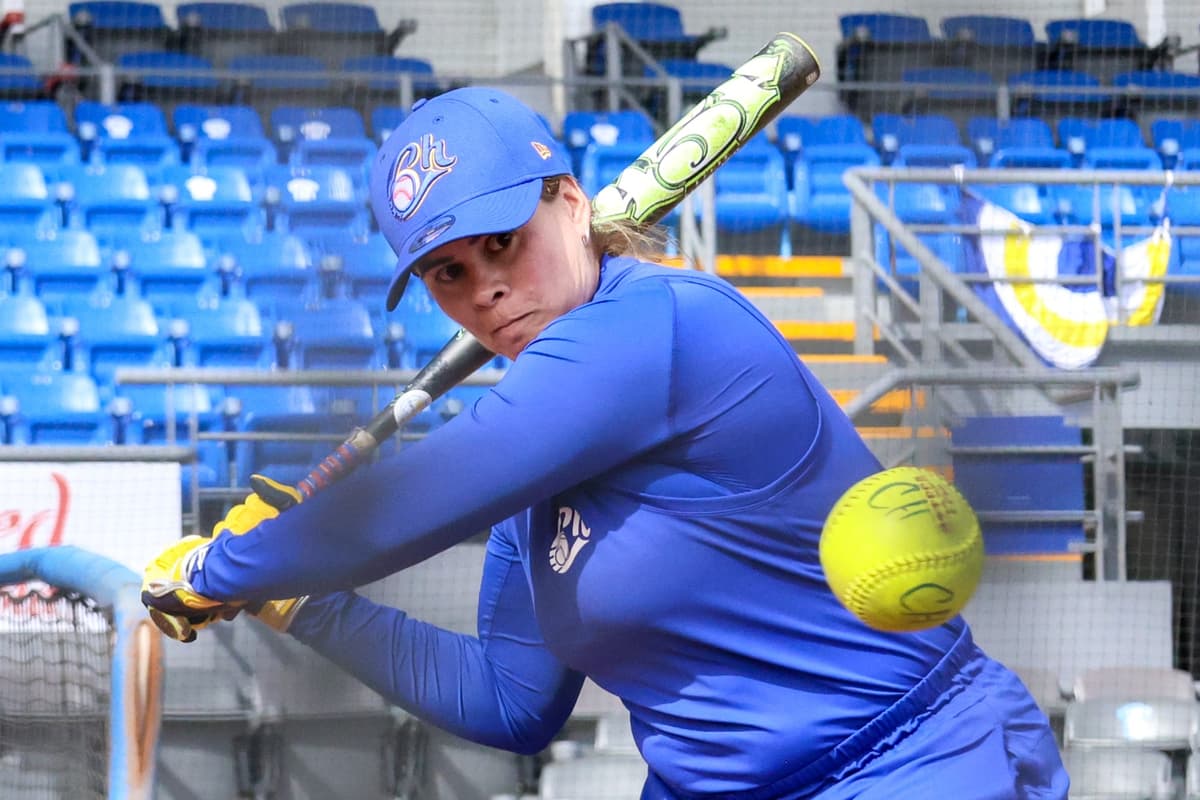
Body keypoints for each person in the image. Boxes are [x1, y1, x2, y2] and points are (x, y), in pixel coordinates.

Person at [142, 87, 1069, 799]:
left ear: (571, 203)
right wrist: (300, 604)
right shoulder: (535, 474)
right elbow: (508, 702)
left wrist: (227, 567)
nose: (483, 292)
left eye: (503, 243)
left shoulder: (661, 326)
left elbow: (419, 497)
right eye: (447, 272)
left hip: (911, 762)